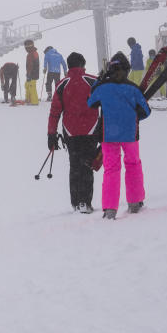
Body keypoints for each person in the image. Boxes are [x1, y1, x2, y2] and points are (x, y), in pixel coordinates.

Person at [87, 52, 151, 219]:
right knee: (133, 164)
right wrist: (133, 116)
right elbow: (146, 111)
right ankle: (135, 202)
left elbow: (91, 103)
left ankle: (110, 209)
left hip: (109, 134)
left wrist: (99, 82)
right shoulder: (133, 88)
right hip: (130, 134)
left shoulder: (102, 88)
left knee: (111, 169)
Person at [47, 52, 101, 213]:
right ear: (83, 64)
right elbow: (103, 103)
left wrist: (51, 134)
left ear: (69, 66)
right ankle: (86, 202)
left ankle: (76, 203)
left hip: (70, 132)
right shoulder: (93, 81)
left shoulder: (62, 84)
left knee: (74, 165)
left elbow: (55, 111)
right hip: (91, 130)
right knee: (87, 166)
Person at [24, 40, 40, 105]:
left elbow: (31, 65)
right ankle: (28, 99)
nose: (25, 49)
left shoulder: (32, 54)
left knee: (31, 86)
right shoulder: (33, 53)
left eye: (26, 47)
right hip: (32, 73)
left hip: (32, 74)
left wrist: (29, 75)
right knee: (27, 85)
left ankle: (34, 101)